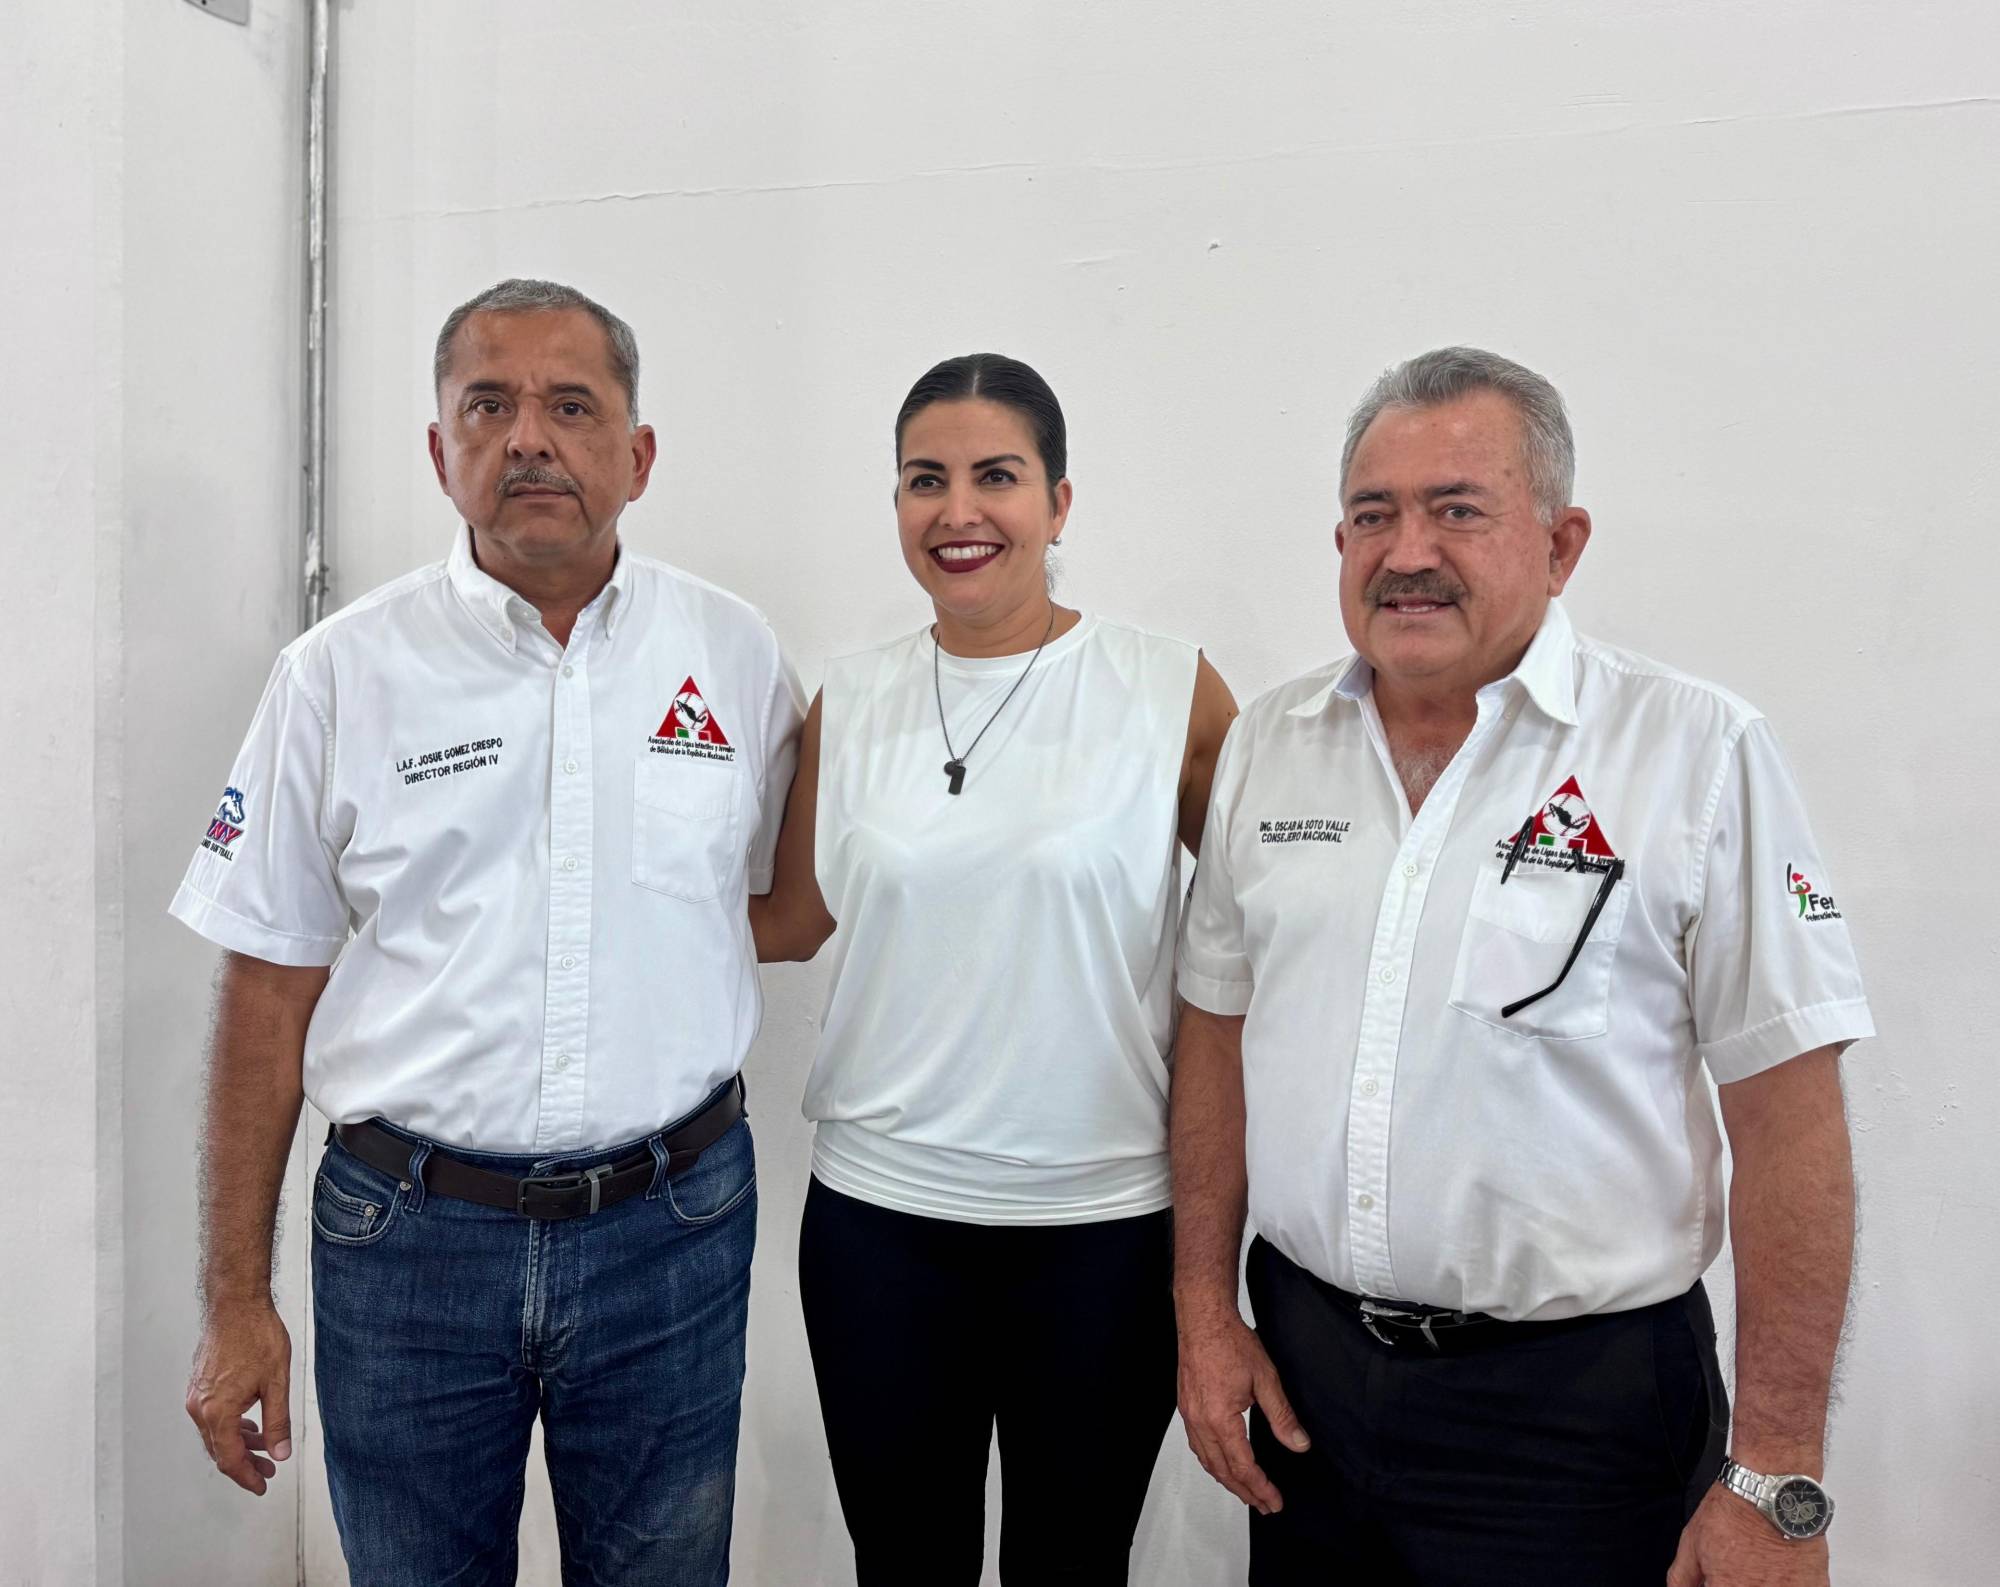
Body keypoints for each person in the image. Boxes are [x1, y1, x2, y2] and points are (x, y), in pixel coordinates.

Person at [1171, 347, 1872, 1586]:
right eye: (1372, 516)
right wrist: (1202, 1310)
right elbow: (1217, 1034)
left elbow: (1789, 1122)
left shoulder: (1692, 754)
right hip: (1309, 1387)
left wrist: (1771, 1476)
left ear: (1560, 545)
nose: (1405, 553)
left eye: (1457, 510)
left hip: (1577, 1417)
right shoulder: (1273, 745)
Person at [173, 278, 803, 1586]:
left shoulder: (735, 655)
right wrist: (236, 1295)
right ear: (439, 448)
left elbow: (769, 905)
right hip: (406, 1244)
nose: (530, 437)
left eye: (571, 405)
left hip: (671, 1232)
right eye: (489, 404)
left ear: (636, 454)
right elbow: (268, 989)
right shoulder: (336, 675)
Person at [752, 353, 1239, 1584]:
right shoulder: (849, 702)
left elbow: (1265, 923)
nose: (956, 512)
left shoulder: (1163, 689)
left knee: (1069, 1567)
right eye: (925, 481)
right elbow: (791, 921)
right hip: (880, 1228)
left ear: (1057, 504)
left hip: (1101, 1235)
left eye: (995, 477)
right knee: (901, 1564)